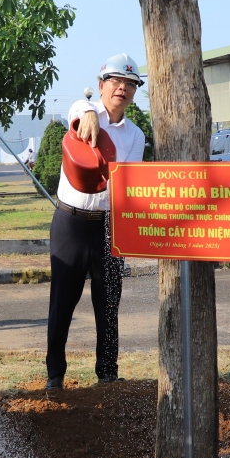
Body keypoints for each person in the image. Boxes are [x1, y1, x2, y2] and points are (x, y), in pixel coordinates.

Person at [45, 54, 146, 390]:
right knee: (62, 302)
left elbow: (126, 182)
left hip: (108, 226)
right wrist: (88, 113)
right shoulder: (84, 113)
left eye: (130, 84)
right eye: (116, 82)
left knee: (108, 302)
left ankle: (107, 374)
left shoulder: (134, 135)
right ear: (101, 86)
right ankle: (55, 376)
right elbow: (76, 107)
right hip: (70, 222)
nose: (123, 88)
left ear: (134, 93)